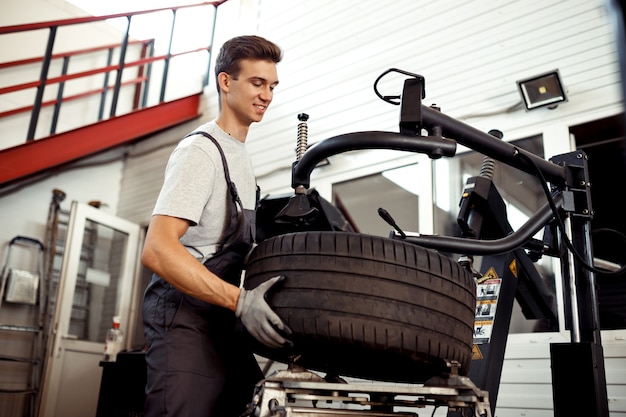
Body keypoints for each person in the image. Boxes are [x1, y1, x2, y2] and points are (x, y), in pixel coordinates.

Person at [140, 35, 292, 417]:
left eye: (272, 86)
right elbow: (158, 249)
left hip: (218, 317)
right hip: (183, 318)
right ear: (226, 82)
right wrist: (240, 301)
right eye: (257, 83)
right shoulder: (201, 151)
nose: (267, 95)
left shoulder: (239, 155)